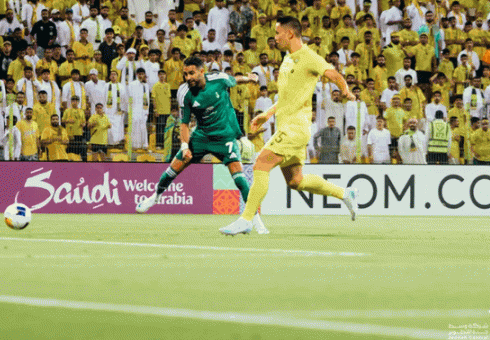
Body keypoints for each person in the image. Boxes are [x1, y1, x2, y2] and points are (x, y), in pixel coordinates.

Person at [221, 16, 357, 235]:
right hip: (286, 125)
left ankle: (246, 219)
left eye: (277, 33)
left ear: (290, 34)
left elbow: (333, 74)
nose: (274, 38)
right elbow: (286, 98)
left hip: (295, 128)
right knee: (296, 181)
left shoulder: (309, 57)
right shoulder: (286, 60)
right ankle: (345, 194)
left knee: (260, 164)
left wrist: (345, 90)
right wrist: (267, 114)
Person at [137, 57, 267, 231]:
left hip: (225, 136)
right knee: (174, 166)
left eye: (191, 73)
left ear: (201, 71)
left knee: (239, 177)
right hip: (201, 136)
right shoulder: (184, 92)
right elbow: (184, 123)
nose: (188, 77)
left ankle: (255, 219)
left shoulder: (219, 79)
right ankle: (156, 196)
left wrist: (249, 78)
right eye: (185, 74)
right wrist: (184, 146)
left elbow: (234, 80)